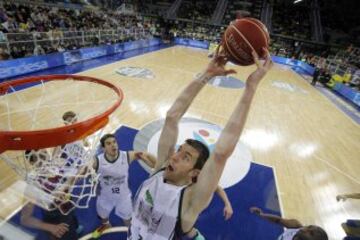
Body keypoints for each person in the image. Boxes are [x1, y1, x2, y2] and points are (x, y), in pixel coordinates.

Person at [127, 47, 273, 240]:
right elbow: (172, 116)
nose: (175, 156)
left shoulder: (190, 200)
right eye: (179, 150)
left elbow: (221, 153)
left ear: (195, 173)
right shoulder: (159, 170)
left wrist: (251, 87)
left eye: (185, 157)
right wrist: (207, 74)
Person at [92, 134, 156, 238]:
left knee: (128, 220)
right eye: (109, 143)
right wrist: (69, 183)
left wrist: (157, 164)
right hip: (105, 195)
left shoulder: (126, 155)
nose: (113, 145)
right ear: (103, 148)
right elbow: (84, 168)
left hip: (123, 196)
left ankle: (132, 235)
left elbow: (147, 155)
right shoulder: (97, 161)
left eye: (114, 142)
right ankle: (106, 225)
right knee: (102, 215)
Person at [21, 149, 82, 240]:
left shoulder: (58, 167)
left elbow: (80, 170)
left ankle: (76, 227)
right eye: (39, 157)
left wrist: (70, 181)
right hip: (57, 221)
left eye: (45, 154)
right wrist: (51, 228)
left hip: (69, 208)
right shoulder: (34, 185)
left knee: (73, 220)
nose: (45, 159)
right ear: (32, 162)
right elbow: (25, 219)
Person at [250, 207, 328, 240]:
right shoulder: (296, 226)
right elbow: (278, 220)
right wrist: (262, 214)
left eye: (311, 233)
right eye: (309, 226)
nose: (304, 229)